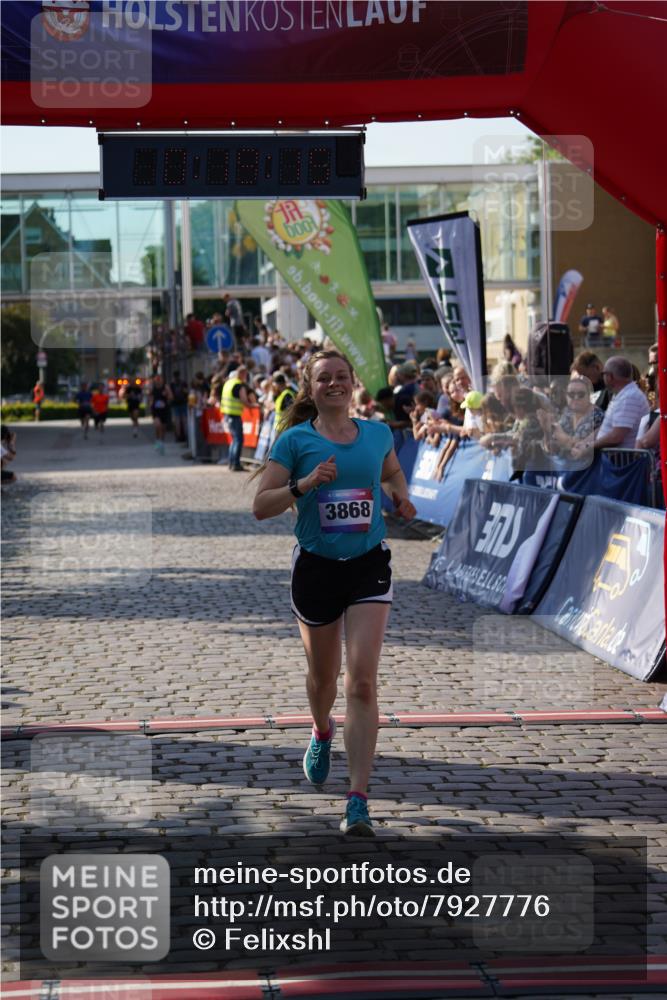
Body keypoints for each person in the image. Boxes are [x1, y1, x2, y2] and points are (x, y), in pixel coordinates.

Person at [252, 350, 416, 836]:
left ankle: (358, 799)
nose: (335, 384)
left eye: (342, 376)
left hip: (368, 565)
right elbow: (262, 506)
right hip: (317, 569)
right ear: (311, 386)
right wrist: (305, 484)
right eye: (325, 378)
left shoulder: (377, 433)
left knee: (361, 681)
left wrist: (400, 496)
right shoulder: (294, 441)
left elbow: (389, 472)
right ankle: (321, 729)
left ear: (353, 383)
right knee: (323, 679)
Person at [573, 356, 649, 458]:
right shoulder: (620, 394)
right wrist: (585, 442)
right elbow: (605, 427)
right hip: (616, 463)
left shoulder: (629, 397)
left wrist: (588, 447)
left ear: (610, 377)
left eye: (603, 374)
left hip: (623, 464)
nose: (602, 377)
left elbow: (616, 436)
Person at [542, 376, 604, 465]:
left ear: (589, 395)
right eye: (571, 394)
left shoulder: (597, 415)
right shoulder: (567, 413)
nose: (576, 397)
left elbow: (578, 447)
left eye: (581, 394)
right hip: (566, 468)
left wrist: (560, 434)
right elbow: (552, 448)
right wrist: (546, 430)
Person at [221, 364, 251, 471]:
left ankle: (231, 463)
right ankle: (236, 464)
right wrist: (252, 406)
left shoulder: (228, 383)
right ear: (242, 374)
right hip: (234, 415)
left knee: (234, 440)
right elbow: (244, 400)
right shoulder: (239, 385)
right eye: (246, 374)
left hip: (227, 414)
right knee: (238, 440)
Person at [148, 374, 173, 455]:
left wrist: (167, 395)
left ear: (162, 379)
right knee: (157, 426)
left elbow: (171, 397)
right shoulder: (152, 388)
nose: (158, 380)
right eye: (156, 379)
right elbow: (150, 397)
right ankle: (157, 441)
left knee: (163, 428)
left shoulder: (166, 387)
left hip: (164, 410)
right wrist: (151, 404)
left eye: (160, 378)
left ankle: (161, 442)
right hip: (156, 411)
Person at [170, 371, 189, 443]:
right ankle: (184, 436)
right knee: (183, 420)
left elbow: (170, 395)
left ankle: (178, 436)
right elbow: (187, 392)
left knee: (177, 421)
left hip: (175, 403)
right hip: (182, 403)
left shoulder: (172, 384)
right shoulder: (183, 383)